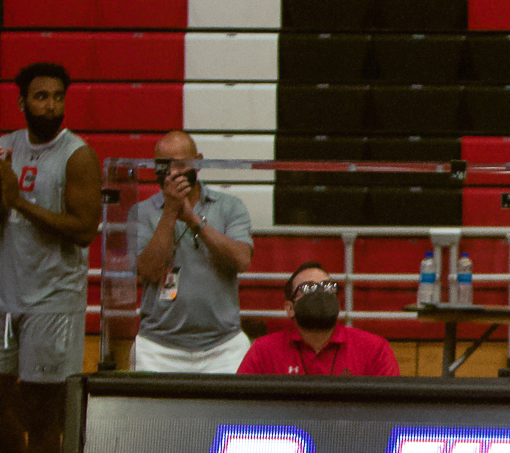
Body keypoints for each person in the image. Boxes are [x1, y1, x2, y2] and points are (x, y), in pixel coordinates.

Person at [0, 62, 100, 453]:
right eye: (40, 97)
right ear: (21, 102)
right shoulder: (4, 146)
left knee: (42, 408)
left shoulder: (77, 156)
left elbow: (82, 229)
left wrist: (20, 201)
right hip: (6, 294)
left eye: (58, 96)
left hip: (53, 301)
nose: (50, 105)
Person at [129, 130, 254, 373]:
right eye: (164, 166)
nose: (174, 173)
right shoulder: (141, 212)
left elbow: (242, 260)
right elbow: (148, 271)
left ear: (198, 161)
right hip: (158, 347)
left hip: (223, 346)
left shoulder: (230, 206)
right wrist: (170, 212)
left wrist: (195, 221)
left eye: (181, 164)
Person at [237, 262, 398, 376]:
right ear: (290, 308)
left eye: (328, 288)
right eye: (308, 288)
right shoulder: (264, 351)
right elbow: (241, 410)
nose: (320, 295)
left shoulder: (375, 350)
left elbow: (390, 412)